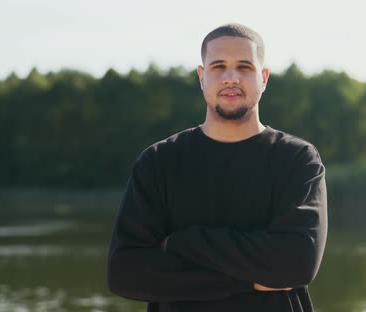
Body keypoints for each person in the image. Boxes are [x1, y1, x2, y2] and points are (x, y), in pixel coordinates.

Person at [107, 23, 328, 312]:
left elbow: (297, 264)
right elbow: (126, 274)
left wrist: (182, 243)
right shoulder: (159, 161)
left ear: (263, 77)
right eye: (219, 66)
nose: (231, 77)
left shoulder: (297, 159)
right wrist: (249, 279)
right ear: (202, 77)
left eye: (245, 67)